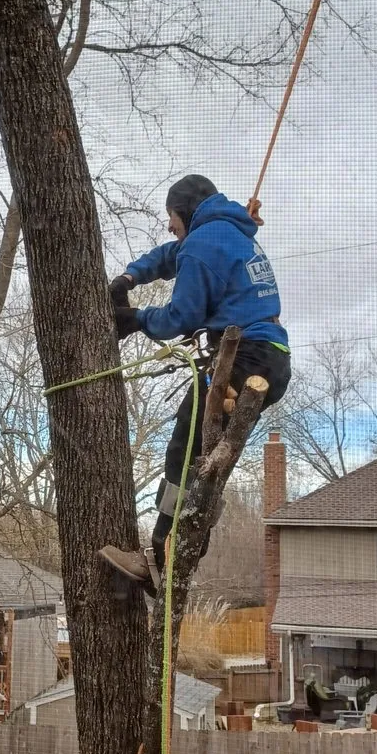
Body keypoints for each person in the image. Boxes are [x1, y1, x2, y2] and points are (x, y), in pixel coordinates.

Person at [99, 174, 291, 593]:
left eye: (170, 216)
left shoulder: (205, 243)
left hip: (244, 358)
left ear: (186, 210)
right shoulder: (225, 231)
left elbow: (180, 318)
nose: (169, 225)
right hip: (268, 357)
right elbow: (173, 254)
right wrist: (131, 277)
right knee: (206, 464)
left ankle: (161, 557)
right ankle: (178, 553)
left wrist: (134, 319)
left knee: (184, 450)